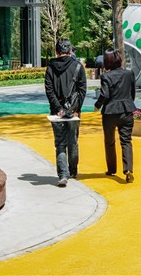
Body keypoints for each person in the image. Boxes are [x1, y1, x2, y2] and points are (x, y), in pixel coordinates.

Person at [43, 38, 86, 186]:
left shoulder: (50, 68)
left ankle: (63, 174)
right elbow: (82, 91)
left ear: (56, 52)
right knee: (73, 141)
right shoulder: (78, 66)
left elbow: (49, 91)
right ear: (70, 51)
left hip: (56, 113)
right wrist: (75, 109)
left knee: (60, 143)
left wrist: (59, 109)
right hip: (74, 112)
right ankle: (73, 171)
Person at [94, 49, 136, 182]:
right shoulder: (129, 73)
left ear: (107, 62)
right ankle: (128, 169)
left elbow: (104, 94)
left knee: (109, 141)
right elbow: (132, 93)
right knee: (126, 141)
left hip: (110, 112)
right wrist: (128, 103)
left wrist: (97, 105)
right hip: (126, 110)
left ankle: (111, 169)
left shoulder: (106, 77)